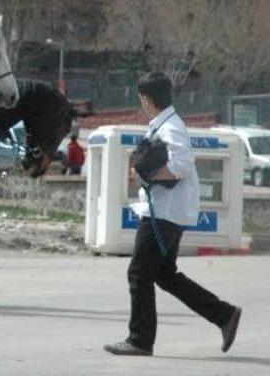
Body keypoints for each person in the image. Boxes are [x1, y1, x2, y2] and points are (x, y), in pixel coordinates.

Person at [104, 72, 241, 356]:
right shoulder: (165, 124)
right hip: (168, 212)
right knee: (165, 275)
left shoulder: (171, 127)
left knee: (139, 273)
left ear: (146, 98)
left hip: (162, 214)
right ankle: (224, 315)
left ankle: (140, 340)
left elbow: (179, 165)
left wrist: (149, 176)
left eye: (141, 98)